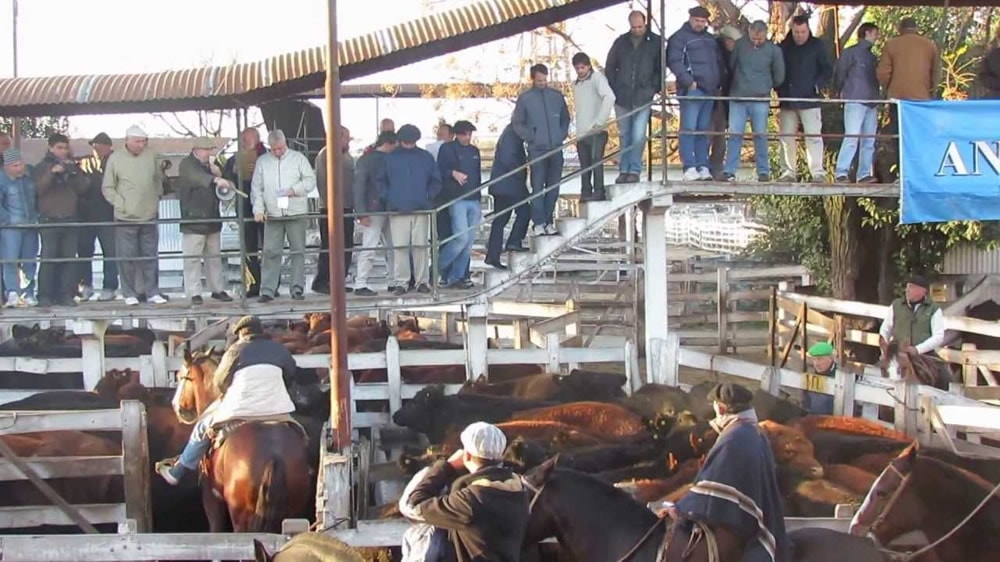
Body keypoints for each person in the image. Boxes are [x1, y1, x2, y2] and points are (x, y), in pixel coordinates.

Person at [156, 315, 297, 486]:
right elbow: (290, 372)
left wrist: (228, 391)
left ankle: (177, 471)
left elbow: (220, 381)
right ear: (260, 331)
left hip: (241, 410)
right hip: (277, 409)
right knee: (299, 434)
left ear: (241, 334)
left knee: (201, 427)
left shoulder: (236, 350)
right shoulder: (278, 349)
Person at [659, 383, 789, 562]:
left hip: (741, 522)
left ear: (720, 408)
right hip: (756, 512)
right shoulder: (754, 432)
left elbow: (711, 488)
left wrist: (678, 508)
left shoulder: (733, 438)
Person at [400, 422, 529, 562]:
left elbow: (414, 504)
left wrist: (446, 466)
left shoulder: (470, 500)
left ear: (466, 455)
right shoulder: (519, 492)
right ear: (501, 456)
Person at [101, 125, 170, 306]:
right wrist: (121, 204)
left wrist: (158, 192)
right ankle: (128, 292)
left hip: (149, 214)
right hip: (125, 217)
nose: (142, 145)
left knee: (150, 256)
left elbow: (161, 174)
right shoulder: (115, 159)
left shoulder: (151, 155)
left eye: (144, 141)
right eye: (138, 141)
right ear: (127, 140)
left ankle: (152, 292)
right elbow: (108, 187)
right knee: (126, 258)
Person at [251, 129, 316, 303]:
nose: (277, 152)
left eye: (280, 148)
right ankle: (268, 290)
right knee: (270, 252)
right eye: (274, 149)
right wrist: (258, 209)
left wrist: (294, 190)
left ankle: (297, 288)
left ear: (285, 143)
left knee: (298, 251)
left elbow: (310, 180)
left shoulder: (299, 159)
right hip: (272, 215)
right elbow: (256, 188)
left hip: (296, 212)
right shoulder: (262, 162)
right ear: (269, 147)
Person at [377, 124, 441, 296]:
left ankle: (421, 281)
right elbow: (381, 182)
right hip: (399, 209)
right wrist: (389, 197)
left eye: (411, 141)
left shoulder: (425, 157)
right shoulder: (391, 159)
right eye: (407, 141)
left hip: (419, 208)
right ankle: (403, 282)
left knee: (420, 247)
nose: (409, 144)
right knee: (400, 248)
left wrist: (428, 196)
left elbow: (436, 181)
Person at [512, 63, 570, 237]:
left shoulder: (557, 96)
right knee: (537, 187)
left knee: (554, 187)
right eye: (539, 80)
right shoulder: (525, 99)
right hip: (537, 149)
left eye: (545, 79)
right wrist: (531, 136)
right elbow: (517, 123)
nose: (543, 83)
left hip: (556, 147)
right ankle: (538, 222)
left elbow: (566, 119)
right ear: (533, 79)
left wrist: (561, 135)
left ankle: (548, 221)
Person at [722, 21, 784, 183]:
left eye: (760, 39)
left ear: (766, 35)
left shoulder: (774, 51)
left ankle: (763, 171)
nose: (756, 41)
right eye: (754, 38)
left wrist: (767, 86)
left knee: (760, 135)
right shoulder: (740, 45)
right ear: (748, 33)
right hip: (738, 97)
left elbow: (779, 74)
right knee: (735, 134)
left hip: (760, 98)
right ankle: (729, 170)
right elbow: (732, 65)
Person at [605, 10, 662, 184]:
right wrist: (615, 88)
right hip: (622, 97)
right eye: (634, 27)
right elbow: (610, 67)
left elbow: (660, 68)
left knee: (638, 135)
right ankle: (624, 169)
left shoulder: (655, 42)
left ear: (645, 23)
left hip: (643, 97)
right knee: (625, 135)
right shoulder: (621, 42)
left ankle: (634, 169)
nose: (637, 30)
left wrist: (653, 88)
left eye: (640, 26)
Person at [668, 6, 724, 182]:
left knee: (702, 130)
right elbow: (674, 61)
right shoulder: (679, 38)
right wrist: (688, 82)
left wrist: (718, 83)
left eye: (703, 22)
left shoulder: (710, 39)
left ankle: (703, 165)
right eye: (697, 21)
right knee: (689, 129)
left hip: (709, 90)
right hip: (692, 89)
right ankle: (689, 166)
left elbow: (717, 61)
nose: (700, 24)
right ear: (690, 18)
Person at [33, 133, 89, 307]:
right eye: (59, 148)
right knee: (49, 259)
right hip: (49, 219)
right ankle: (44, 295)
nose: (63, 151)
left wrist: (72, 173)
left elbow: (83, 188)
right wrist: (52, 173)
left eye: (65, 148)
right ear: (50, 148)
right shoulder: (41, 167)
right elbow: (38, 190)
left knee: (69, 259)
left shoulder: (73, 166)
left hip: (70, 219)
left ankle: (66, 294)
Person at [176, 137, 233, 305]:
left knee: (214, 257)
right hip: (193, 219)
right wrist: (215, 179)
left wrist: (219, 173)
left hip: (212, 218)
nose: (209, 153)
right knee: (192, 259)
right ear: (197, 149)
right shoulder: (187, 164)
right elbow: (197, 177)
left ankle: (217, 289)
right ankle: (194, 292)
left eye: (210, 150)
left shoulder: (210, 165)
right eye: (207, 150)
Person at [776, 15, 833, 183]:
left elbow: (827, 69)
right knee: (786, 137)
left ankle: (817, 173)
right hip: (787, 100)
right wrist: (780, 89)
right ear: (791, 30)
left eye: (802, 32)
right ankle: (788, 172)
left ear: (808, 29)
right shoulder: (784, 47)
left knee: (814, 136)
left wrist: (817, 85)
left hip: (810, 99)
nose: (799, 35)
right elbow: (776, 70)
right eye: (796, 32)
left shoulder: (817, 46)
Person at [832, 23, 881, 184]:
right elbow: (840, 73)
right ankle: (841, 171)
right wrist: (837, 92)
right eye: (875, 33)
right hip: (854, 99)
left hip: (871, 101)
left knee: (869, 140)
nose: (877, 37)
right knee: (852, 137)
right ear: (867, 33)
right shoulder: (851, 53)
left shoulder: (872, 57)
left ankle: (864, 174)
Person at [436, 120, 482, 290]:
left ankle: (457, 276)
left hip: (474, 199)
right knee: (460, 238)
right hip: (457, 199)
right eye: (464, 134)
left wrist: (479, 195)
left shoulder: (474, 151)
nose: (467, 137)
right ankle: (436, 269)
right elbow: (439, 170)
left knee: (468, 243)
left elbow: (477, 175)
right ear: (456, 134)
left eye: (470, 134)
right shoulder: (447, 149)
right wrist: (453, 173)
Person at [224, 128, 268, 297]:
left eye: (247, 139)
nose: (243, 142)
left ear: (257, 139)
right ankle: (254, 284)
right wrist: (232, 174)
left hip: (265, 208)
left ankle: (270, 285)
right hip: (244, 208)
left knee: (269, 247)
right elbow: (226, 179)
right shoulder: (233, 160)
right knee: (249, 249)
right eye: (242, 139)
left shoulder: (267, 157)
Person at [352, 131, 397, 297]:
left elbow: (358, 187)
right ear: (389, 144)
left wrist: (361, 212)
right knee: (390, 247)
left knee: (371, 247)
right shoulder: (388, 160)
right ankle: (391, 281)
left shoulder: (365, 160)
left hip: (373, 208)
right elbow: (359, 187)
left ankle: (362, 282)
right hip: (386, 208)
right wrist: (362, 213)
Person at [313, 126, 356, 295]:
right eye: (346, 138)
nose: (348, 142)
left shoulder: (347, 156)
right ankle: (322, 280)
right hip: (330, 209)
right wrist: (332, 206)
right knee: (329, 246)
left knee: (346, 246)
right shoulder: (325, 155)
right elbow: (323, 183)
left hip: (347, 207)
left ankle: (338, 280)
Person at [76, 132, 119, 302]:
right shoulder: (85, 161)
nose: (96, 149)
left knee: (110, 253)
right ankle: (85, 286)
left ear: (108, 147)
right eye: (94, 146)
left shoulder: (116, 162)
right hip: (85, 214)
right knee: (85, 252)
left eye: (99, 145)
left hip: (108, 214)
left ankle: (109, 287)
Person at [484, 124, 530, 270]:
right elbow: (509, 158)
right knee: (525, 212)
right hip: (510, 183)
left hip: (502, 184)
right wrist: (521, 172)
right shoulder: (512, 135)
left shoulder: (509, 133)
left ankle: (493, 255)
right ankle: (514, 241)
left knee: (500, 221)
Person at [572, 51, 616, 201]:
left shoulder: (597, 78)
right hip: (582, 131)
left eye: (582, 67)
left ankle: (599, 190)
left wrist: (600, 121)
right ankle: (585, 191)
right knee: (585, 164)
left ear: (589, 66)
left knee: (596, 160)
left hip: (597, 130)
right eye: (577, 68)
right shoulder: (576, 84)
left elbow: (609, 97)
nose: (580, 71)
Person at [878, 275, 945, 370]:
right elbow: (885, 329)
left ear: (923, 290)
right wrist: (885, 350)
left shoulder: (934, 309)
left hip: (923, 355)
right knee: (874, 373)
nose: (907, 290)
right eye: (907, 287)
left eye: (911, 287)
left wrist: (918, 349)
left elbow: (938, 336)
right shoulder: (896, 305)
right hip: (897, 354)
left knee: (944, 375)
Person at [0, 148, 39, 307]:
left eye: (21, 164)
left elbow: (36, 198)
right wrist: (6, 219)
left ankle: (28, 293)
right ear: (6, 166)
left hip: (30, 225)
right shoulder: (2, 180)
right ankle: (12, 293)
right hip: (11, 228)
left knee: (29, 261)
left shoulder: (29, 178)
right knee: (10, 260)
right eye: (15, 165)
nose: (20, 168)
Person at [877, 18, 941, 102]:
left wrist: (888, 88)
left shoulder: (891, 44)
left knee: (897, 115)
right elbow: (936, 72)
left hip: (897, 96)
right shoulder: (929, 45)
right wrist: (930, 90)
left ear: (899, 29)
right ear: (917, 28)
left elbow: (883, 73)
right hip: (922, 96)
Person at [709, 25, 740, 180]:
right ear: (727, 40)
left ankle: (715, 167)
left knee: (720, 134)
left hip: (723, 97)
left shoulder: (728, 55)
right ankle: (707, 167)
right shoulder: (716, 51)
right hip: (714, 94)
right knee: (711, 132)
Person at [804, 341, 838, 415]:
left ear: (831, 358)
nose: (816, 364)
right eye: (814, 359)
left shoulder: (840, 377)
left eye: (820, 359)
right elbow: (806, 403)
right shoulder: (811, 378)